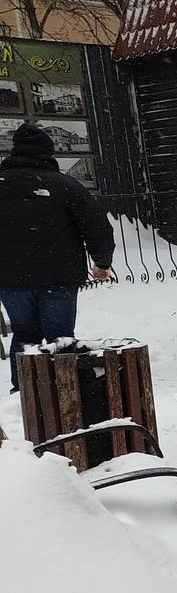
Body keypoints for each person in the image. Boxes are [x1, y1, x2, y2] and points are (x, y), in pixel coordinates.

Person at [0, 124, 115, 392]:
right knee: (61, 338)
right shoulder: (65, 186)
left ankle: (25, 392)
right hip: (58, 276)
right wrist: (102, 263)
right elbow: (97, 227)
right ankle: (63, 390)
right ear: (47, 151)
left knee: (24, 334)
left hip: (9, 278)